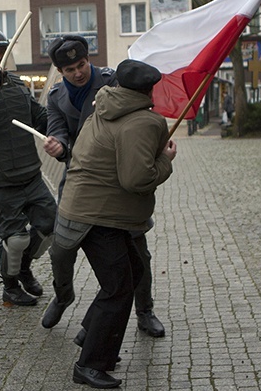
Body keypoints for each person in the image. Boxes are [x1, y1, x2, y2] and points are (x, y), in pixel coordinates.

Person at [56, 59, 176, 388]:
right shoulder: (144, 121)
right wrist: (165, 160)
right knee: (119, 286)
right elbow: (137, 178)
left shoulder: (104, 105)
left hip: (87, 208)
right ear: (148, 90)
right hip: (99, 215)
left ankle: (90, 335)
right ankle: (90, 365)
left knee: (132, 272)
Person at [41, 35, 166, 339]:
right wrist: (58, 145)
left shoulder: (114, 82)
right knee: (61, 251)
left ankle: (145, 310)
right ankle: (63, 295)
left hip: (119, 180)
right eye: (70, 69)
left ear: (88, 60)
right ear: (60, 72)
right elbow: (58, 129)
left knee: (136, 251)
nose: (78, 73)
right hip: (80, 178)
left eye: (81, 64)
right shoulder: (56, 96)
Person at [0, 28, 56, 307]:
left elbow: (39, 117)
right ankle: (10, 286)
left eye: (0, 50)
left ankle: (23, 267)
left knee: (51, 224)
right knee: (14, 237)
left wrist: (62, 120)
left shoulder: (17, 84)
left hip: (29, 171)